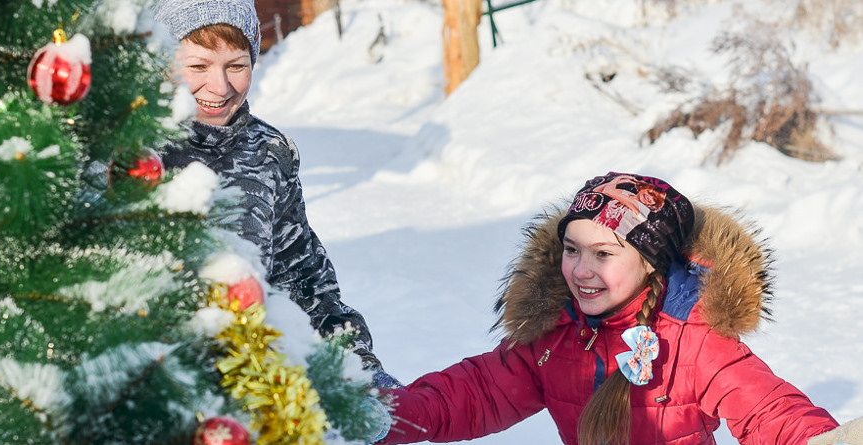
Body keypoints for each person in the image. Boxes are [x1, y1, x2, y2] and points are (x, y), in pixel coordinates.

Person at [371, 172, 863, 444]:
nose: (581, 271)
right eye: (571, 250)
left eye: (604, 254)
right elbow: (473, 394)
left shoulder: (691, 337)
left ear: (651, 263)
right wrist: (379, 416)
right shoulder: (554, 335)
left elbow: (767, 410)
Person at [152, 0, 399, 387]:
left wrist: (359, 369)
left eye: (237, 65)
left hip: (253, 386)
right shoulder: (131, 155)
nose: (220, 86)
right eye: (198, 66)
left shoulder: (269, 152)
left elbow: (302, 275)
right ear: (163, 61)